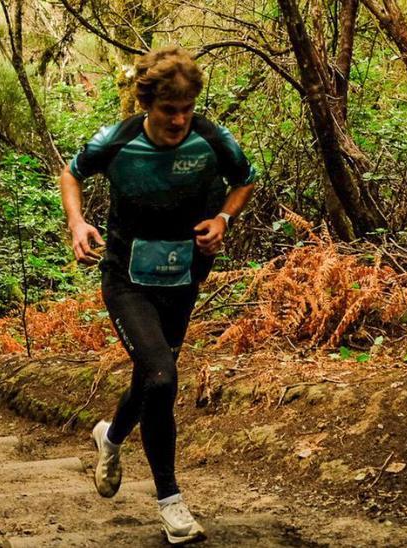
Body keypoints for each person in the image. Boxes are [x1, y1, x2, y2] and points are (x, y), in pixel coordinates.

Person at [57, 46, 257, 544]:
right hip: (126, 279)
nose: (179, 119)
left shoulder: (212, 138)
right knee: (164, 377)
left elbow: (245, 180)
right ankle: (171, 503)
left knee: (152, 375)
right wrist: (77, 222)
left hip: (183, 277)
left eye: (187, 108)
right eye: (170, 110)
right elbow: (71, 174)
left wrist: (223, 219)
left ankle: (112, 435)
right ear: (149, 104)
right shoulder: (118, 139)